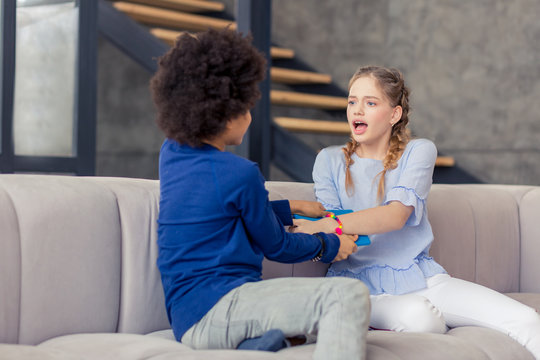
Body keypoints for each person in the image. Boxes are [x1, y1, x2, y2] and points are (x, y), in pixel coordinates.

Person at [149, 28, 370, 360]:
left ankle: (257, 345)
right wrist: (332, 245)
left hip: (185, 320)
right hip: (225, 307)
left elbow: (217, 207)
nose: (251, 116)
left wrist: (289, 207)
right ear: (224, 115)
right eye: (247, 107)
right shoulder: (240, 173)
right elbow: (278, 246)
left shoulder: (172, 154)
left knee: (316, 321)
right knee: (348, 297)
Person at [292, 65, 540, 358]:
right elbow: (340, 238)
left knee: (527, 320)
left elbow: (395, 216)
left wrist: (322, 226)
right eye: (352, 101)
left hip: (421, 279)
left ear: (394, 114)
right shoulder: (329, 160)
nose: (357, 110)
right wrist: (330, 226)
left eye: (370, 103)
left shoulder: (419, 152)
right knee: (421, 318)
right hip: (356, 285)